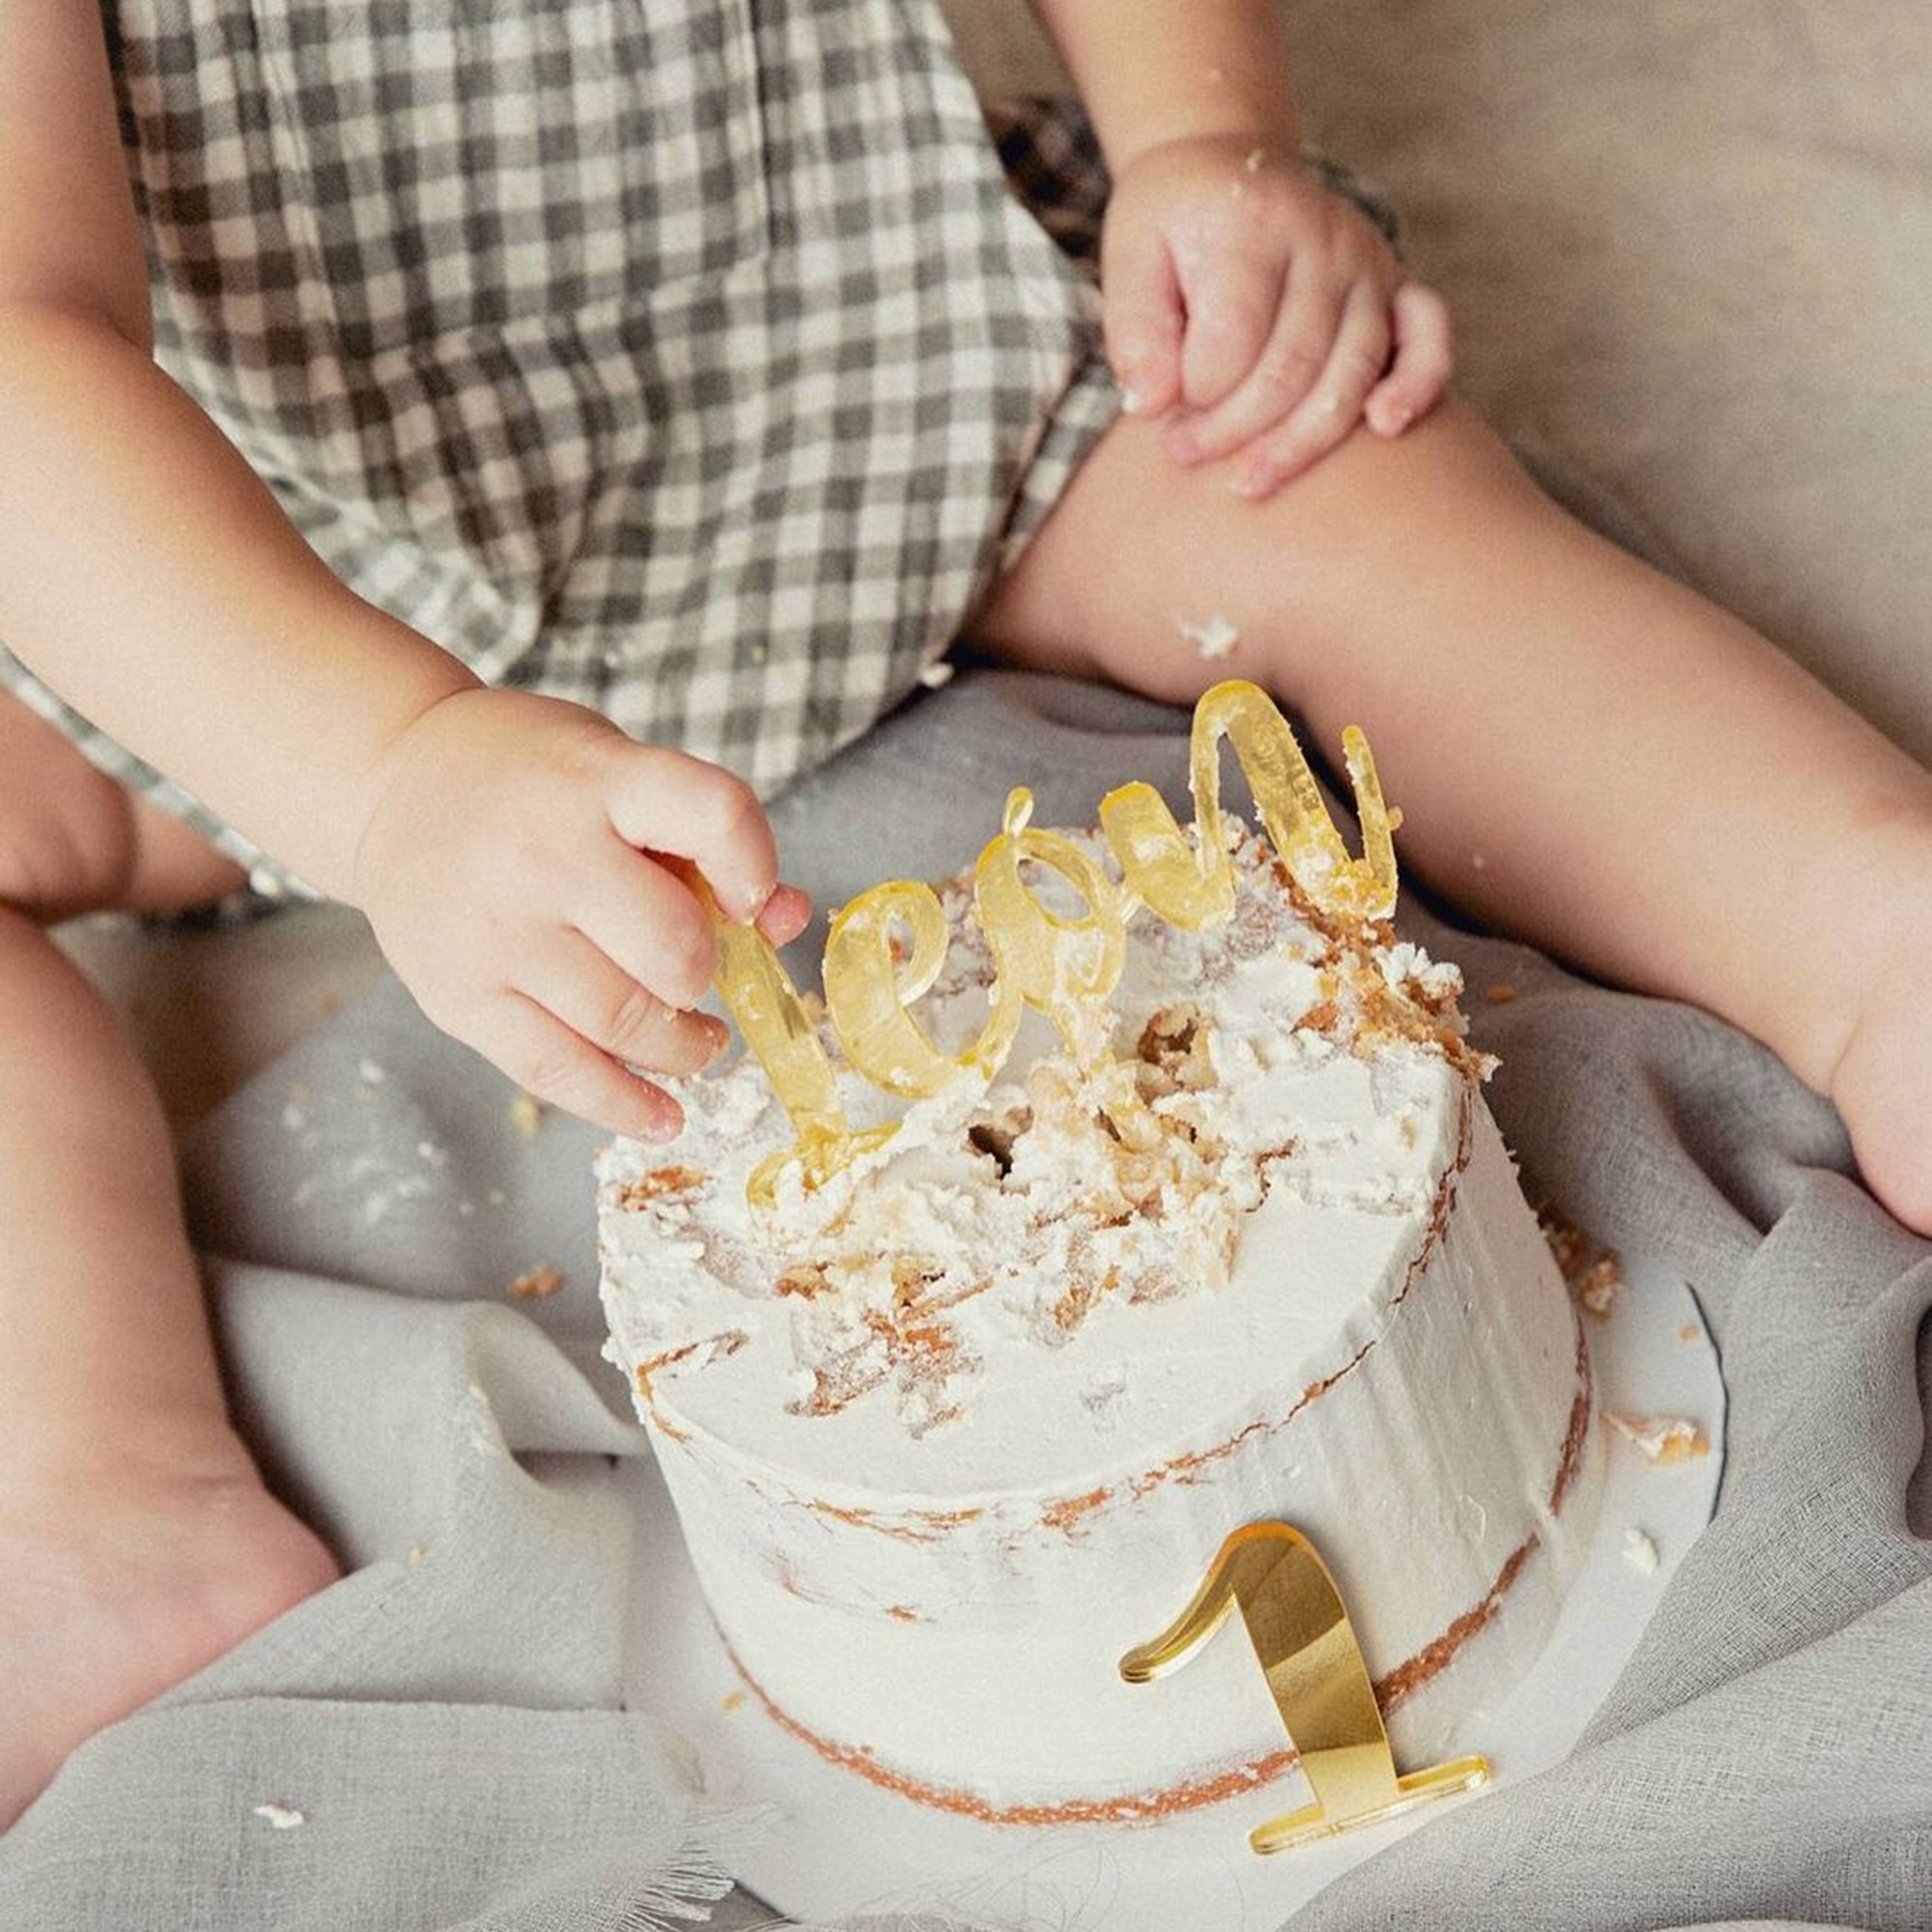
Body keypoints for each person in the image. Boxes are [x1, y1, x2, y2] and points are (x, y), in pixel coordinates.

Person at [1, 0, 1926, 1835]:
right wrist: (381, 770)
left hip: (879, 389)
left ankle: (1868, 935)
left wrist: (1203, 140)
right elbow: (26, 344)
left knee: (1325, 498)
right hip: (261, 597)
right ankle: (104, 1483)